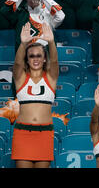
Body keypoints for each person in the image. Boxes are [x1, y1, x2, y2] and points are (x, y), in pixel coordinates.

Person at [11, 22, 58, 168]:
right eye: (31, 56)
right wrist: (23, 44)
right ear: (27, 59)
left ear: (44, 58)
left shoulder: (51, 78)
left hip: (44, 134)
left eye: (39, 55)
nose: (35, 59)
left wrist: (51, 42)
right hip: (23, 134)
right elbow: (17, 64)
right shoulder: (20, 78)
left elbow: (55, 61)